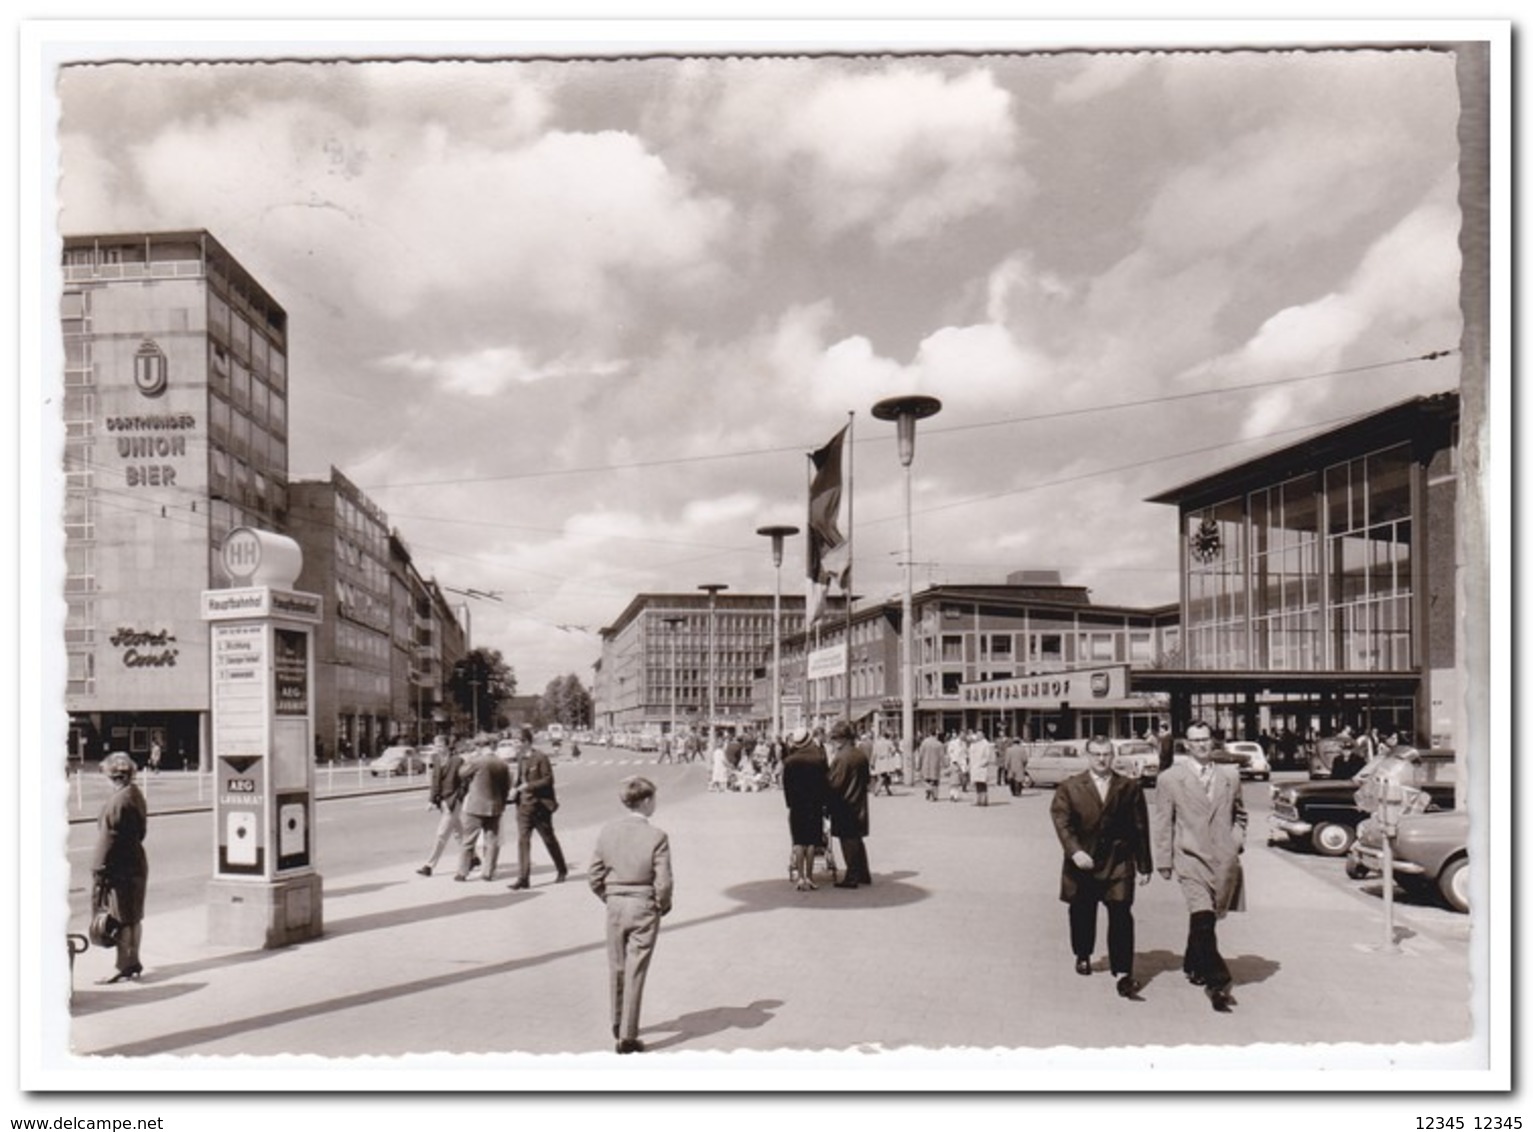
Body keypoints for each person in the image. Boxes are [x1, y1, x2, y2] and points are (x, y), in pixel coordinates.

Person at [1153, 721, 1247, 1013]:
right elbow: (1162, 821)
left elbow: (1241, 815)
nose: (1202, 745)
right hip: (1190, 857)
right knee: (1203, 916)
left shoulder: (1230, 776)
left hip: (1223, 859)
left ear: (1213, 742)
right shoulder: (1170, 779)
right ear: (1187, 745)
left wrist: (1236, 841)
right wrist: (1164, 860)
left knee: (1206, 920)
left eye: (1206, 739)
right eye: (1195, 740)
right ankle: (1217, 982)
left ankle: (1193, 962)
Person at [1049, 736, 1153, 999]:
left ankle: (1122, 971)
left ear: (1113, 755)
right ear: (1087, 756)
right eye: (1096, 754)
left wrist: (1144, 864)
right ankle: (1083, 954)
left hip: (1118, 862)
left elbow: (1140, 826)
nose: (1101, 759)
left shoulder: (1129, 787)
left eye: (1106, 754)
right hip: (1083, 862)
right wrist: (1075, 851)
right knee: (1082, 912)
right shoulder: (1070, 787)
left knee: (1121, 913)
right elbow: (1062, 822)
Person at [588, 775, 674, 1055]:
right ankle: (628, 1035)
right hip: (643, 905)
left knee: (617, 965)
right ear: (646, 801)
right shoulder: (657, 836)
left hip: (614, 905)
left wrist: (609, 896)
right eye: (654, 800)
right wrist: (662, 904)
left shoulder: (607, 832)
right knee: (636, 969)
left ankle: (616, 1021)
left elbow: (594, 876)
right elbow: (664, 881)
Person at [91, 752, 149, 983]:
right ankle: (133, 960)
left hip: (119, 867)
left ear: (112, 775)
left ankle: (121, 965)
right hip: (136, 861)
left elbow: (108, 840)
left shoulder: (117, 801)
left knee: (121, 917)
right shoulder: (135, 794)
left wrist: (98, 870)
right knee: (134, 916)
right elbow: (142, 832)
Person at [510, 728, 569, 889]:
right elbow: (519, 778)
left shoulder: (541, 758)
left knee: (548, 839)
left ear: (526, 742)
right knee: (523, 841)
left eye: (517, 742)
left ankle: (562, 869)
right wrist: (513, 790)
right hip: (523, 807)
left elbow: (548, 779)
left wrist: (528, 786)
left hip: (540, 807)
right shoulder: (521, 758)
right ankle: (523, 878)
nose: (514, 745)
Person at [780, 727, 829, 891]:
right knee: (811, 843)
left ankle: (800, 878)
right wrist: (824, 803)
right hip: (814, 805)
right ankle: (810, 876)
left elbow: (786, 787)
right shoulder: (819, 758)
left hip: (797, 805)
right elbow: (825, 783)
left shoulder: (789, 761)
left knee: (799, 842)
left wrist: (790, 804)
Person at [825, 720, 872, 889]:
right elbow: (867, 780)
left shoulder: (842, 757)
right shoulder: (859, 755)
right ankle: (863, 873)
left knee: (848, 840)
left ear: (842, 739)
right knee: (857, 839)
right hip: (859, 802)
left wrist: (827, 804)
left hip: (845, 805)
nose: (833, 743)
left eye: (835, 739)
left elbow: (834, 784)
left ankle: (852, 876)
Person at [456, 744, 511, 882]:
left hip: (475, 807)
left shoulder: (477, 761)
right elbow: (506, 787)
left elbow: (461, 773)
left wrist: (469, 759)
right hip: (495, 807)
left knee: (468, 840)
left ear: (480, 747)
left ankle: (462, 873)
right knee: (491, 840)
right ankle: (488, 872)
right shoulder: (502, 764)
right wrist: (502, 803)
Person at [418, 738, 468, 877]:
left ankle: (429, 866)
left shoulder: (458, 761)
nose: (437, 748)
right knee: (459, 833)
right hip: (443, 802)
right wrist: (432, 800)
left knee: (441, 834)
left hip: (453, 801)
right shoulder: (436, 760)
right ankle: (473, 858)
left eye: (440, 745)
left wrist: (459, 797)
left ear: (447, 746)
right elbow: (435, 781)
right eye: (436, 745)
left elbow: (465, 781)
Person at [968, 730, 995, 806]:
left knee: (982, 784)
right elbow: (970, 755)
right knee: (977, 784)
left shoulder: (986, 744)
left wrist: (982, 764)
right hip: (974, 767)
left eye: (980, 734)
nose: (978, 736)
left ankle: (984, 800)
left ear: (983, 735)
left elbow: (988, 756)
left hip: (981, 767)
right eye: (977, 734)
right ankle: (978, 800)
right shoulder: (974, 744)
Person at [918, 730, 945, 802]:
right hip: (935, 764)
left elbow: (920, 754)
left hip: (926, 763)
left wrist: (919, 764)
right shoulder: (939, 744)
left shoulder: (924, 742)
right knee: (935, 780)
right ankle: (935, 795)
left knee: (927, 779)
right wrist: (944, 765)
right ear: (936, 734)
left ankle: (929, 789)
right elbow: (942, 756)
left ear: (929, 733)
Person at [870, 730, 898, 796]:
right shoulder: (888, 742)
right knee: (883, 776)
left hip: (878, 761)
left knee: (884, 775)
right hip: (886, 761)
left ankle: (888, 790)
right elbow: (894, 750)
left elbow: (874, 753)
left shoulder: (877, 743)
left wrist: (872, 762)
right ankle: (876, 790)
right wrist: (891, 754)